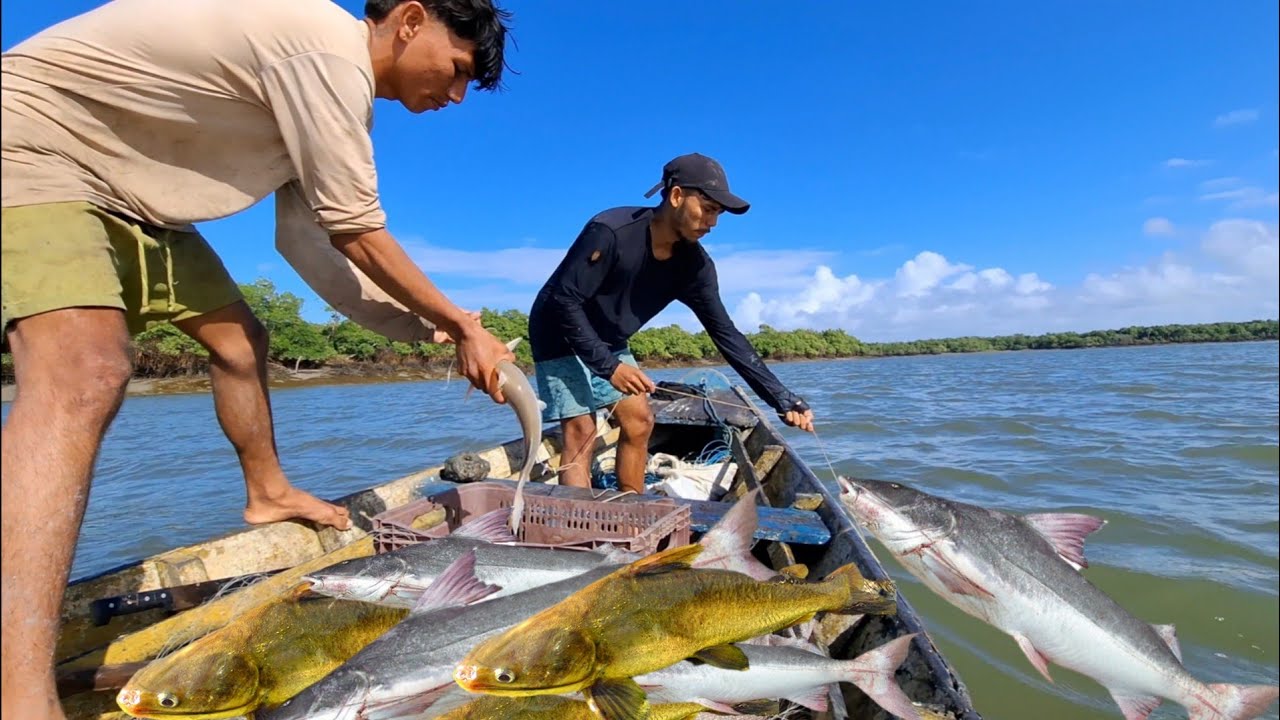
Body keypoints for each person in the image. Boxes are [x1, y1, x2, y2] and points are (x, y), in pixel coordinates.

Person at [0, 1, 516, 717]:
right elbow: (358, 229)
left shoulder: (332, 104)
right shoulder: (326, 51)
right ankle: (20, 694)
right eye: (457, 69)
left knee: (242, 340)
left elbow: (313, 246)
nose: (455, 96)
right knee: (84, 371)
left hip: (137, 200)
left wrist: (429, 331)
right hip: (37, 145)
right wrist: (460, 320)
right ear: (409, 19)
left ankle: (266, 489)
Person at [528, 153, 816, 495]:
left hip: (609, 338)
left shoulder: (694, 268)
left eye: (718, 213)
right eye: (708, 208)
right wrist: (608, 368)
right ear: (677, 196)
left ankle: (633, 509)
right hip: (558, 330)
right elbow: (564, 300)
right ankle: (580, 529)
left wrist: (783, 399)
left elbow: (726, 335)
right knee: (581, 430)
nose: (713, 222)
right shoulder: (611, 231)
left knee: (639, 422)